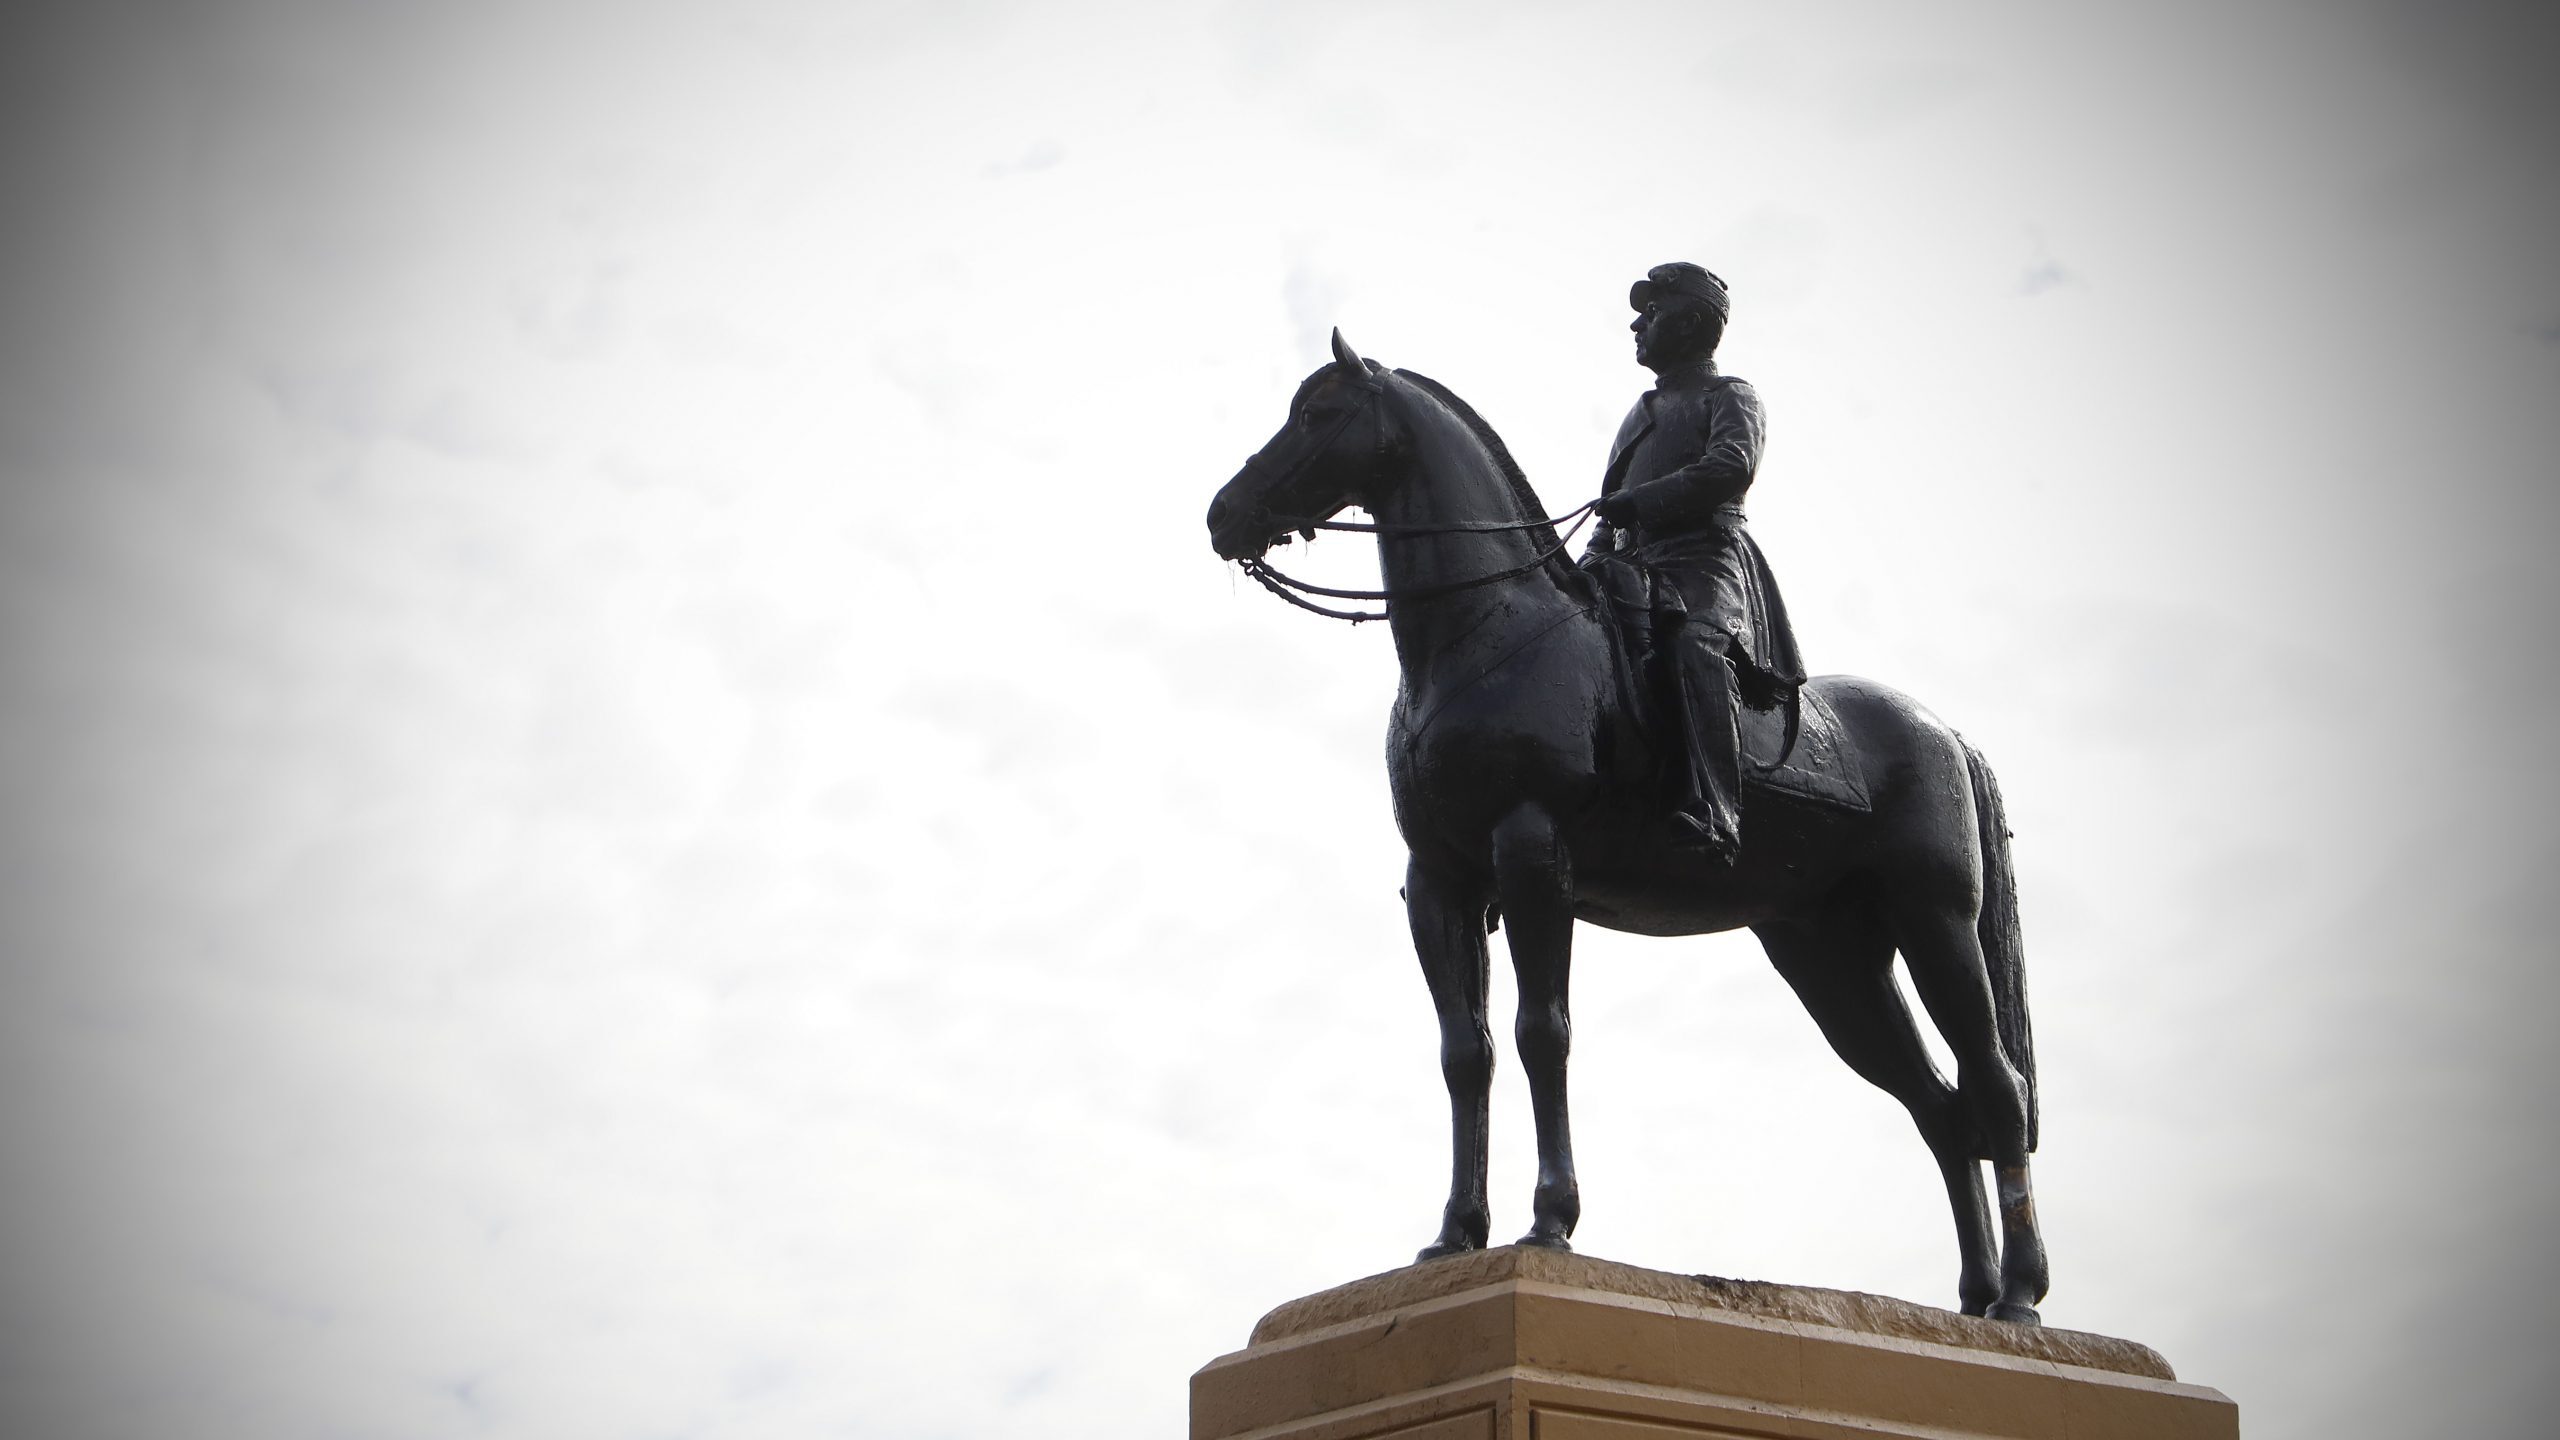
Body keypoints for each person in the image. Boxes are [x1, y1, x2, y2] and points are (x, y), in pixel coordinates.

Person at [1584, 262, 1805, 859]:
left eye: (1651, 313)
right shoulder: (1641, 411)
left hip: (1703, 560)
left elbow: (1731, 467)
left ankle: (1715, 810)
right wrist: (1584, 564)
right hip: (1633, 566)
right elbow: (1612, 509)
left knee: (1693, 648)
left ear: (1689, 322)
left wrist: (1641, 502)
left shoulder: (1730, 395)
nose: (1636, 324)